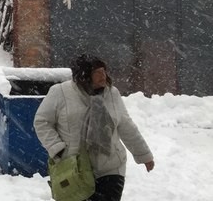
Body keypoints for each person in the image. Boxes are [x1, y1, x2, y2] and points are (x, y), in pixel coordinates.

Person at [33, 54, 156, 201]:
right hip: (75, 168)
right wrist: (57, 148)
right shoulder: (60, 93)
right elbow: (42, 122)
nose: (103, 76)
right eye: (97, 72)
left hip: (110, 167)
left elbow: (125, 125)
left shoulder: (112, 93)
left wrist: (144, 155)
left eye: (104, 71)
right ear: (84, 75)